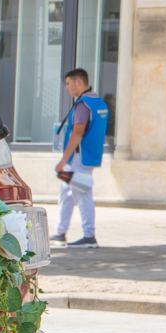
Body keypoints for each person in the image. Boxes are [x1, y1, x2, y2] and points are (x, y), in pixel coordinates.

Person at [54, 67, 110, 247]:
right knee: (67, 192)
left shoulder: (83, 105)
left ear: (79, 82)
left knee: (82, 193)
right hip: (88, 156)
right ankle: (60, 232)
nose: (67, 88)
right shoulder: (99, 102)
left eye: (69, 84)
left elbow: (77, 133)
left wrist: (63, 160)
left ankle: (89, 236)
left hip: (78, 157)